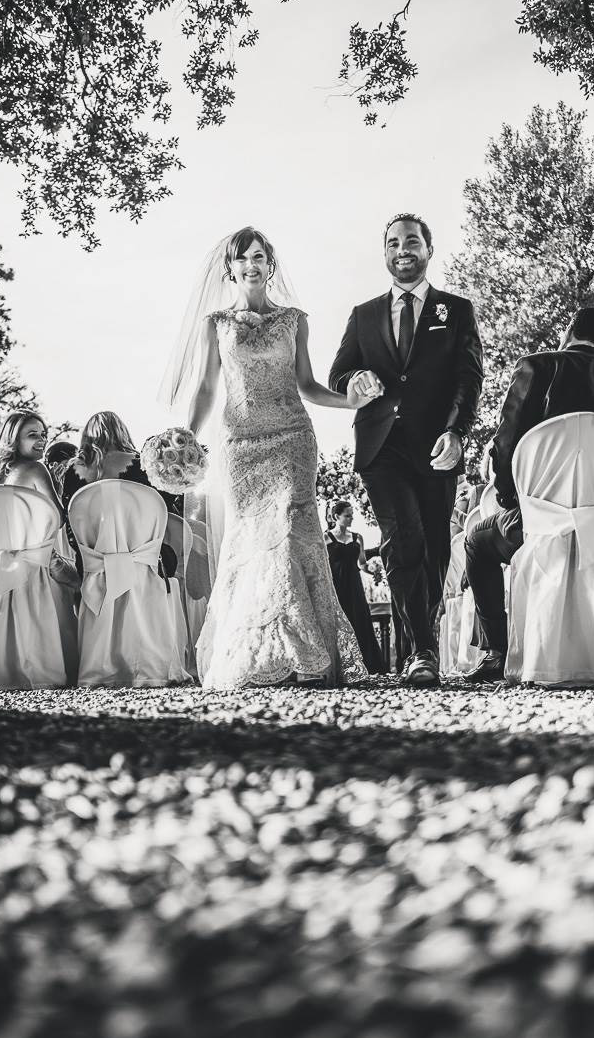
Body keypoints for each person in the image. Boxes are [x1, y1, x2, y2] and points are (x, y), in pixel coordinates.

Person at [171, 226, 375, 690]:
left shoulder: (295, 320)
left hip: (292, 440)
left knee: (289, 532)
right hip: (240, 445)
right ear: (230, 268)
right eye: (243, 258)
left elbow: (307, 383)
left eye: (260, 256)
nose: (252, 264)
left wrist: (349, 402)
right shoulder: (216, 324)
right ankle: (263, 654)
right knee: (252, 540)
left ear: (271, 265)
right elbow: (206, 388)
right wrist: (189, 434)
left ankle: (307, 654)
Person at [329, 212, 483, 685]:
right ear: (385, 254)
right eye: (393, 243)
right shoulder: (364, 314)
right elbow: (338, 374)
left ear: (428, 250)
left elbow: (468, 377)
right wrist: (356, 378)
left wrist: (457, 432)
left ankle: (421, 642)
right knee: (404, 537)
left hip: (438, 445)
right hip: (382, 446)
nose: (402, 250)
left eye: (411, 241)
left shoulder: (455, 310)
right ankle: (422, 650)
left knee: (436, 544)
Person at [464, 305, 594, 681]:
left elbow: (505, 450)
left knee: (474, 542)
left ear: (568, 333)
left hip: (538, 526)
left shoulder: (536, 366)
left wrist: (512, 503)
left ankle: (496, 651)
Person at [61, 411, 178, 579]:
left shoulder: (72, 473)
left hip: (93, 565)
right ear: (122, 433)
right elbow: (162, 510)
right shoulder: (143, 465)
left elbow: (71, 523)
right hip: (144, 561)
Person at [325, 500, 385, 673]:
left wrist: (373, 570)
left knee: (359, 621)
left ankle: (365, 666)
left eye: (352, 515)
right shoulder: (326, 537)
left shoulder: (358, 537)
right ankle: (339, 666)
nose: (351, 518)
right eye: (347, 515)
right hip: (336, 586)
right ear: (337, 517)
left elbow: (362, 564)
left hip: (354, 585)